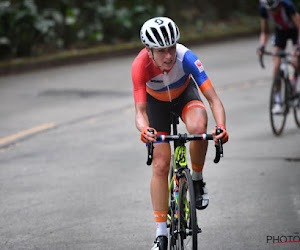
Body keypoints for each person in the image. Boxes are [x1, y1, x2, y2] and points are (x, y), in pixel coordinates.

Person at [131, 17, 228, 250]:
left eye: (172, 47)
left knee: (197, 128)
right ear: (149, 50)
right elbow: (140, 112)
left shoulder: (186, 58)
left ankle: (196, 179)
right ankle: (161, 233)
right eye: (161, 50)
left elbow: (213, 100)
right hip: (156, 106)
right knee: (161, 164)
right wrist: (145, 130)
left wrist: (221, 127)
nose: (168, 55)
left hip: (185, 96)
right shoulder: (139, 65)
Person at [257, 0, 300, 113]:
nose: (273, 12)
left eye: (275, 9)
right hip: (280, 32)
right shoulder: (263, 9)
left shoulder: (287, 5)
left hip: (295, 31)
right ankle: (278, 101)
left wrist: (298, 47)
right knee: (276, 66)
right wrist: (261, 46)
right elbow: (264, 31)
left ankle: (293, 88)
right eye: (271, 10)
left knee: (296, 61)